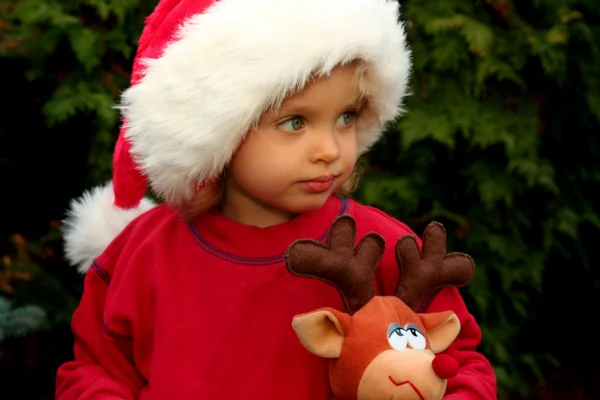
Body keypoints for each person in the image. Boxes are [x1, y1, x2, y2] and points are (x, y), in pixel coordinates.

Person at [55, 0, 497, 399]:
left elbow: (458, 362)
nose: (330, 148)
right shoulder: (142, 254)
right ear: (216, 131)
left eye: (345, 117)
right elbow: (95, 372)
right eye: (295, 122)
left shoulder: (381, 247)